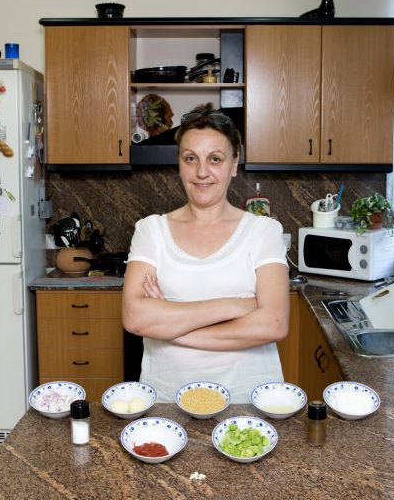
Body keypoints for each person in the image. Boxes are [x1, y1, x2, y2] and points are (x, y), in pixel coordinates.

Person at [121, 104, 289, 404]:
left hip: (248, 401)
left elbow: (273, 323)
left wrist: (173, 330)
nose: (201, 172)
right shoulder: (151, 231)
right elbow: (135, 317)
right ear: (179, 164)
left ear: (234, 164)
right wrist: (235, 305)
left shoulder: (264, 231)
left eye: (215, 159)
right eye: (190, 159)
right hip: (168, 400)